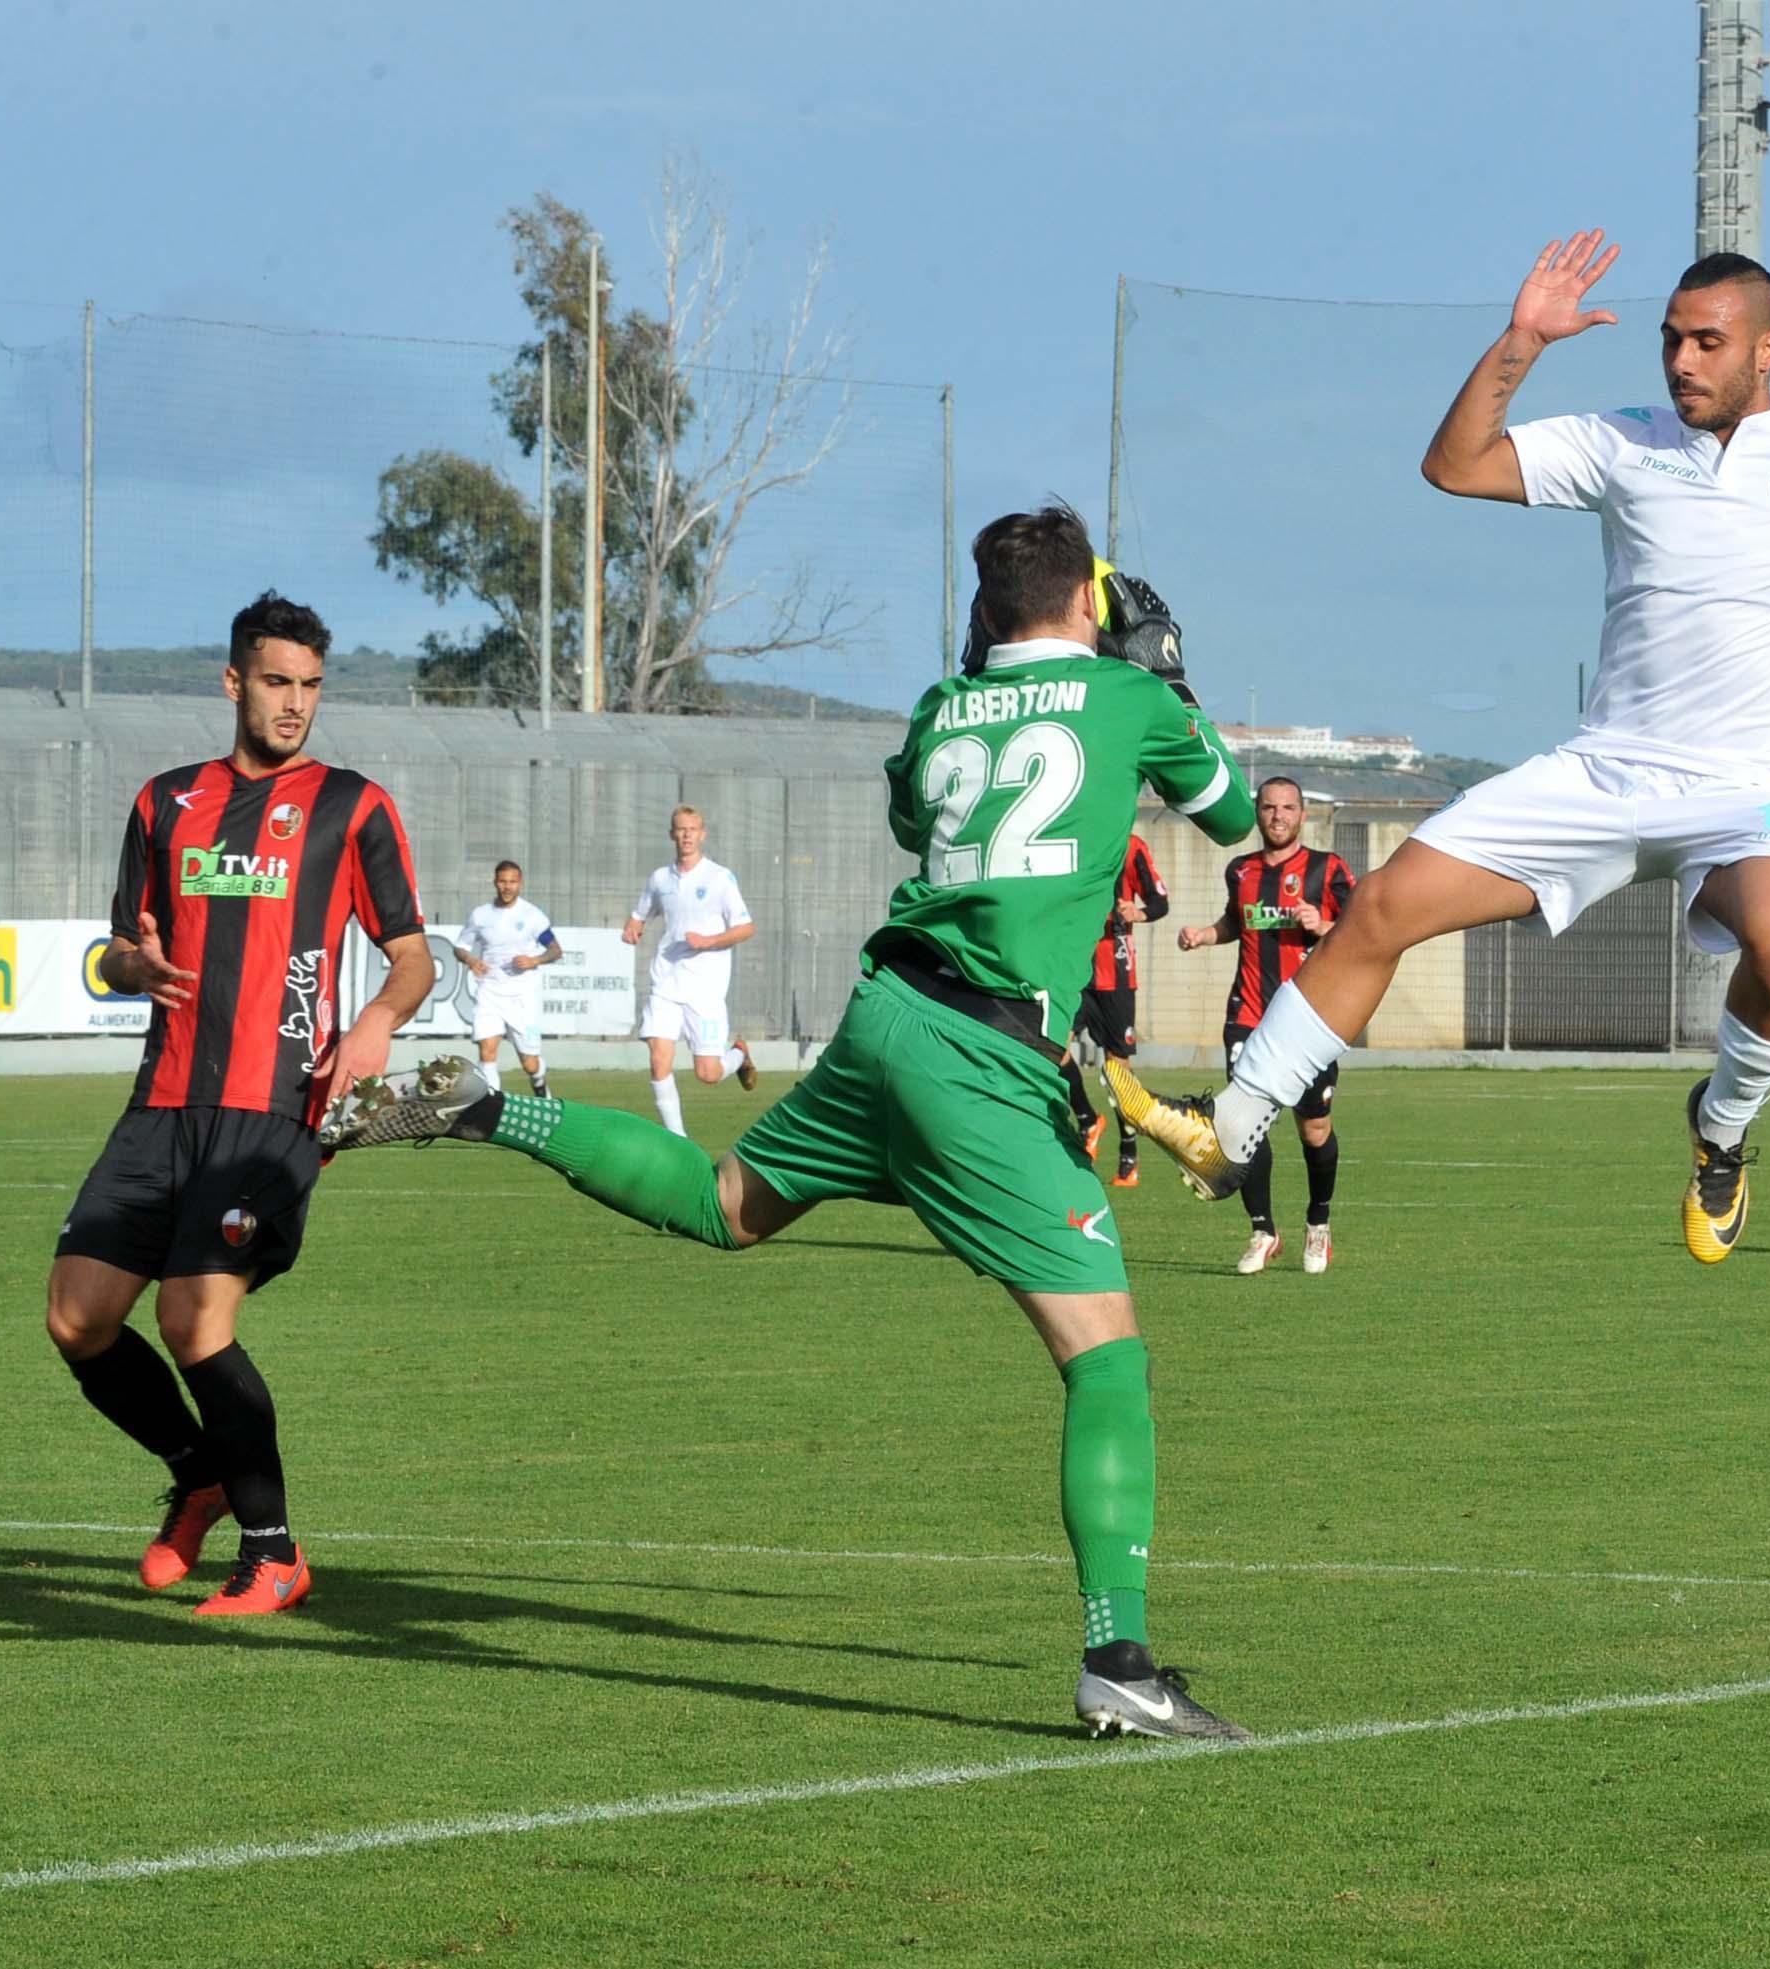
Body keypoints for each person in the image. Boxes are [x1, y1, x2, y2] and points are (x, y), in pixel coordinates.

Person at [323, 507, 1259, 1740]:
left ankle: (498, 1106)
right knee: (1108, 1358)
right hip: (978, 1057)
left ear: (984, 610)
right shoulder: (1125, 695)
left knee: (726, 1204)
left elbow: (925, 823)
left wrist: (1016, 675)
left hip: (886, 1020)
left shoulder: (937, 707)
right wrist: (1164, 676)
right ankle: (1118, 1657)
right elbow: (1237, 822)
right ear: (1088, 600)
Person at [1115, 233, 1770, 1263]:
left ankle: (1719, 1134)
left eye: (1707, 341)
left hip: (1746, 796)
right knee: (1384, 903)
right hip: (1601, 772)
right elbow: (1455, 466)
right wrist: (1522, 342)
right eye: (1672, 338)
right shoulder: (1622, 439)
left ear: (1767, 349)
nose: (1682, 359)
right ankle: (1235, 1126)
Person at [44, 590, 430, 1616]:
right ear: (233, 682)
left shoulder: (353, 805)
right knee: (76, 1319)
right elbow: (123, 950)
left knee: (195, 1318)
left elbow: (413, 958)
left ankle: (273, 1552)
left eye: (309, 685)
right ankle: (199, 1471)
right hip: (162, 1103)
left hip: (277, 1108)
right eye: (276, 681)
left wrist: (379, 1021)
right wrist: (132, 964)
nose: (295, 702)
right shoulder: (163, 804)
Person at [1176, 778, 1358, 1276]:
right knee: (1241, 1129)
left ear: (1303, 815)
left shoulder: (1328, 870)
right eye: (1269, 807)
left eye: (1288, 808)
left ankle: (1318, 1224)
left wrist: (1322, 925)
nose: (1278, 816)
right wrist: (1205, 935)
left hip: (1308, 1022)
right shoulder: (1241, 870)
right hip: (1248, 1016)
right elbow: (1237, 922)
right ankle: (1262, 1231)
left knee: (1314, 1129)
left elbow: (1365, 929)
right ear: (1257, 814)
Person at [625, 806, 758, 1135]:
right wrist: (634, 925)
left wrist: (710, 941)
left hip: (705, 990)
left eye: (692, 829)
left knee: (708, 1074)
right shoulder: (659, 878)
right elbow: (641, 912)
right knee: (659, 1059)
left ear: (703, 834)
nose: (686, 835)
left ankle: (739, 1056)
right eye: (680, 829)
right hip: (666, 982)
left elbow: (745, 928)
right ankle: (678, 1139)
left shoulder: (719, 878)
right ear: (672, 834)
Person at [1060, 832, 1168, 1187]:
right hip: (1073, 969)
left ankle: (1128, 1151)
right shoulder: (1065, 840)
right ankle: (1088, 1118)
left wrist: (1140, 911)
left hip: (1115, 975)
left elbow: (1159, 900)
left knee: (1116, 1069)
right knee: (1054, 1047)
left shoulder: (1131, 845)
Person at [457, 859, 562, 1095]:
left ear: (520, 884)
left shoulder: (532, 916)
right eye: (503, 881)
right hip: (490, 992)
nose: (507, 887)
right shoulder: (480, 915)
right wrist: (471, 960)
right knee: (487, 1051)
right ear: (495, 882)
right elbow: (461, 946)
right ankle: (492, 1107)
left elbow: (556, 950)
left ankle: (539, 1082)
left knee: (530, 1063)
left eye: (512, 882)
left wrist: (534, 960)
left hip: (523, 997)